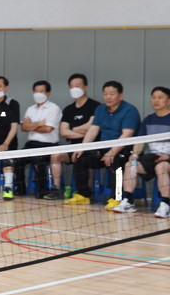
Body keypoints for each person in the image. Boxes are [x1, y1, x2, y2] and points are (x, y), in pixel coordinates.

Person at [67, 80, 141, 207]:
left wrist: (112, 152)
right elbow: (93, 130)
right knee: (80, 158)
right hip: (103, 148)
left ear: (120, 96)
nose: (108, 97)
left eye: (112, 94)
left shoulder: (130, 110)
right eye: (105, 94)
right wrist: (81, 148)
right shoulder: (101, 109)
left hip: (125, 149)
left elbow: (126, 135)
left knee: (116, 160)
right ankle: (83, 195)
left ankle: (116, 197)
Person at [112, 86, 170, 216]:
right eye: (153, 97)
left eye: (160, 97)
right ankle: (128, 200)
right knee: (130, 165)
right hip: (153, 157)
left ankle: (166, 204)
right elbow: (140, 141)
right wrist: (135, 155)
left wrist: (167, 157)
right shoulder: (148, 120)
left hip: (168, 159)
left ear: (169, 101)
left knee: (161, 167)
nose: (156, 100)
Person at [47, 73, 99, 199]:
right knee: (56, 156)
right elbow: (64, 132)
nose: (74, 89)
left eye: (78, 86)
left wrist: (74, 129)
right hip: (73, 147)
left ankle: (86, 193)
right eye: (72, 86)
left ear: (86, 87)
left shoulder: (95, 106)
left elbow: (91, 128)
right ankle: (57, 189)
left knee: (83, 158)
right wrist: (83, 130)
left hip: (91, 147)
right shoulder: (68, 110)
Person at [13, 81, 63, 198]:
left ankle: (42, 191)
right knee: (17, 160)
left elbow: (48, 129)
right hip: (31, 144)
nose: (38, 94)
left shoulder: (54, 109)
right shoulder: (30, 109)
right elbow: (24, 128)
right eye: (36, 91)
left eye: (41, 91)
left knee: (38, 160)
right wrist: (39, 124)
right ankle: (20, 189)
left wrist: (32, 125)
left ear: (48, 93)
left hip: (49, 145)